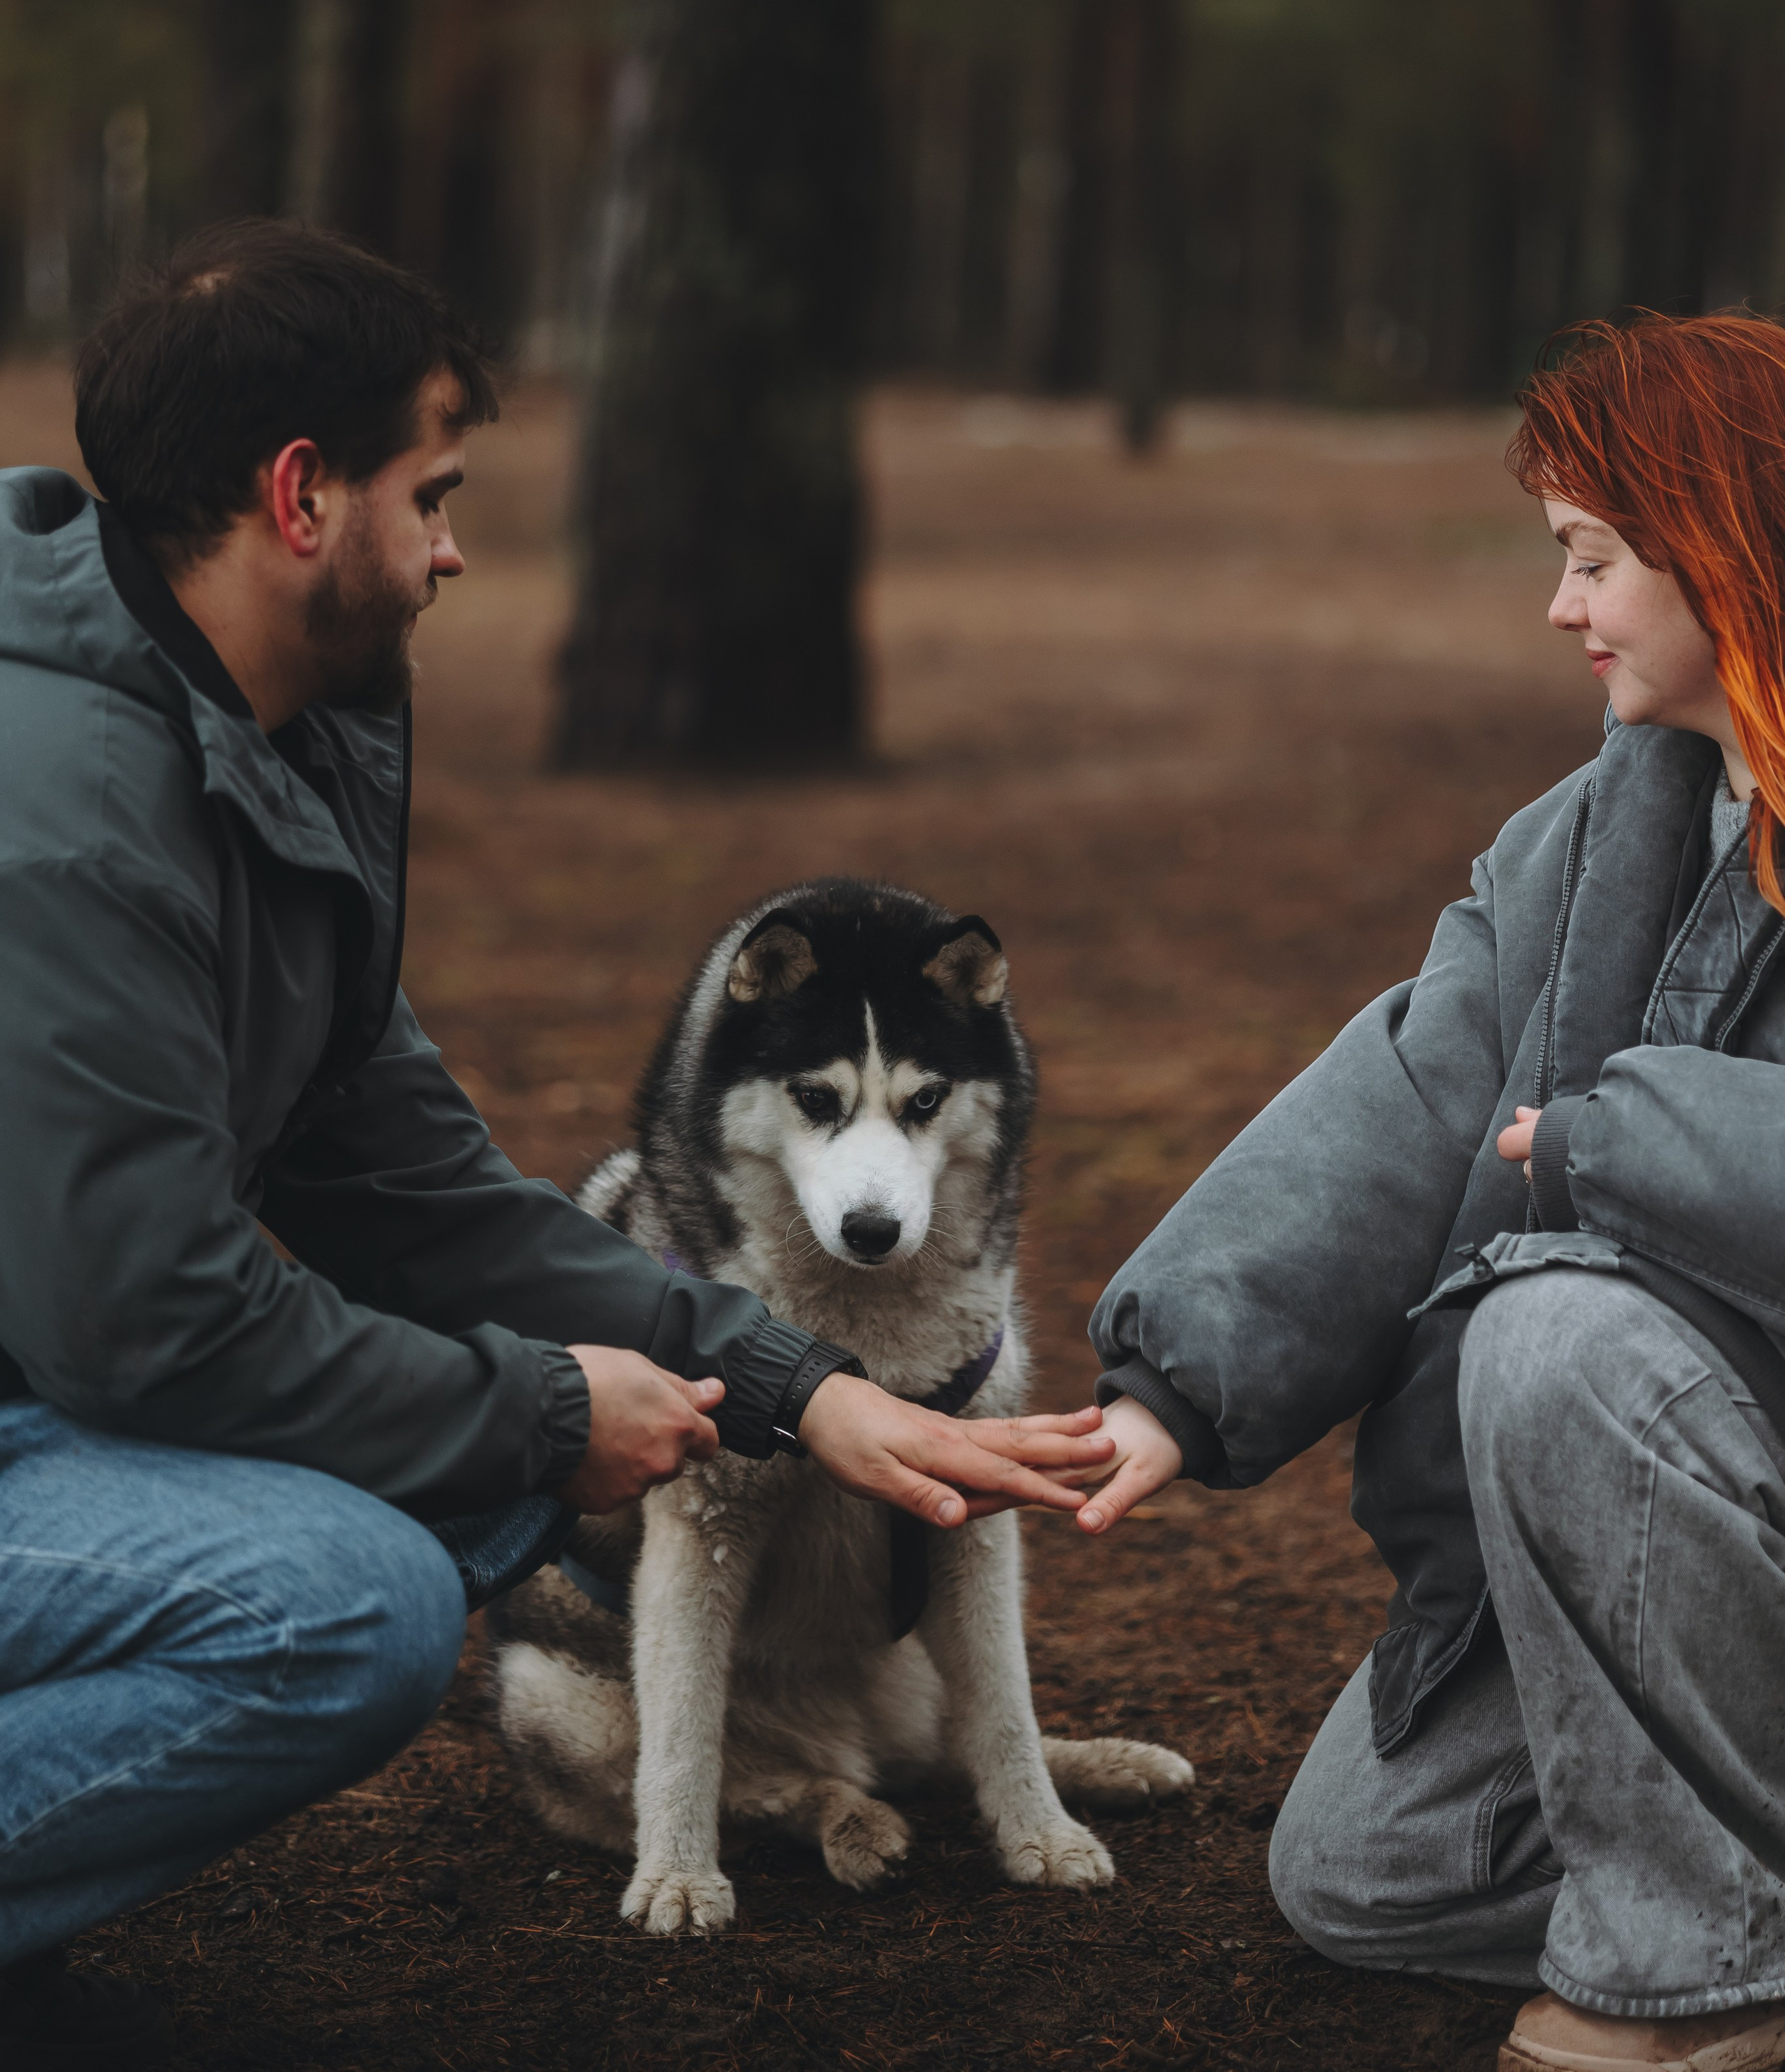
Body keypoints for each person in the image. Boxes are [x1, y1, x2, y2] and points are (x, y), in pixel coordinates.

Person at [0, 221, 1109, 2072]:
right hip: (58, 1386)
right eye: (433, 496)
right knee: (341, 1605)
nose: (454, 550)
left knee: (440, 1506)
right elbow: (150, 1322)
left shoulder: (258, 734)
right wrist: (538, 1412)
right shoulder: (70, 820)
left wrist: (794, 1387)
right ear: (300, 496)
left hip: (46, 1382)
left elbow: (414, 1187)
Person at [1072, 310, 1785, 2072]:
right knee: (1368, 1870)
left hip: (1720, 1476)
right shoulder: (1595, 833)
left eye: (1592, 560)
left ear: (1722, 549)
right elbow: (1408, 1089)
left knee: (1551, 1337)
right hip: (1678, 1539)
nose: (1559, 608)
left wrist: (1618, 1136)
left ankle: (1697, 1991)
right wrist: (1172, 1385)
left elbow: (1607, 1173)